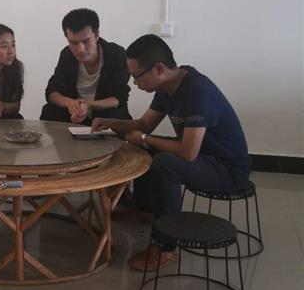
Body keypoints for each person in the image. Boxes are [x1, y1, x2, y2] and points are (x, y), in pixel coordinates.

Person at [92, 34, 251, 271]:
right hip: (202, 157)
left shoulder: (198, 91)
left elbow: (187, 152)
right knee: (143, 148)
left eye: (136, 76)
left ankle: (166, 247)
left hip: (226, 169)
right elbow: (144, 125)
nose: (134, 83)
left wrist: (145, 139)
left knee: (165, 162)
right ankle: (145, 210)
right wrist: (110, 122)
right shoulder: (167, 86)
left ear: (158, 68)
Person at [40, 8, 131, 125]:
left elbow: (119, 98)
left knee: (115, 115)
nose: (80, 49)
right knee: (49, 111)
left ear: (97, 35)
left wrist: (89, 105)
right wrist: (70, 104)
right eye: (74, 43)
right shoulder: (67, 54)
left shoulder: (116, 54)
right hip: (74, 112)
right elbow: (52, 92)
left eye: (86, 41)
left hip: (103, 111)